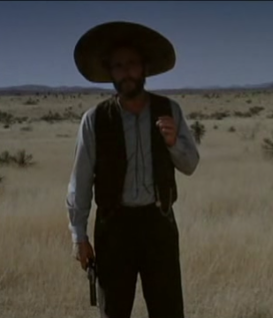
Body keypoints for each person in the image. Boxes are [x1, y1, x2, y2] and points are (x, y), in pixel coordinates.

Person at [66, 21, 200, 318]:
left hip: (159, 224)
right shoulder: (95, 119)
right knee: (114, 310)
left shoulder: (170, 110)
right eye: (118, 66)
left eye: (132, 64)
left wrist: (173, 142)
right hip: (114, 228)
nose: (126, 71)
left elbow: (190, 164)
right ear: (110, 73)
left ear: (144, 68)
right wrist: (79, 235)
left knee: (168, 310)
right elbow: (81, 180)